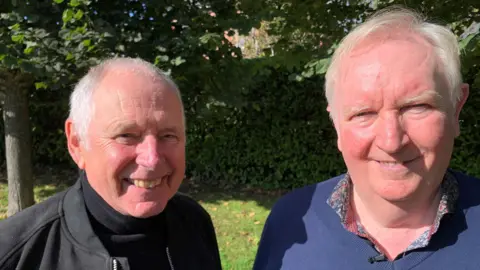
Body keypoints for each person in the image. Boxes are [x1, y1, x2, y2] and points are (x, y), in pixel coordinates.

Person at [254, 6, 480, 270]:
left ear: (456, 108)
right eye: (364, 113)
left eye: (416, 107)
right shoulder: (289, 222)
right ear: (336, 123)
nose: (391, 141)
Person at [0, 57, 222, 270]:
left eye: (168, 135)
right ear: (77, 142)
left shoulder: (194, 222)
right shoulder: (15, 254)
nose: (152, 158)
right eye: (126, 135)